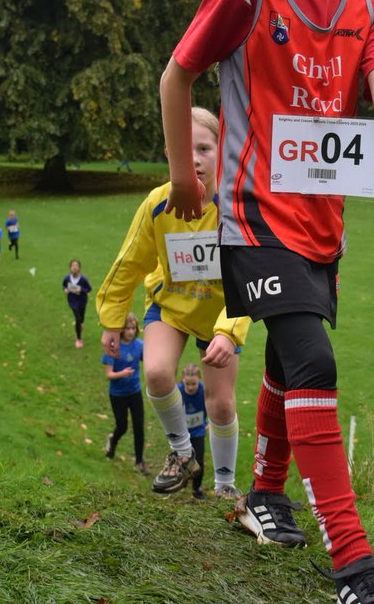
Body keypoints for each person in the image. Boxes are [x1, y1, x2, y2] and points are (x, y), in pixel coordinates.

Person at [157, 0, 374, 604]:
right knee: (313, 360)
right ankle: (355, 566)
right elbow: (179, 71)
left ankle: (266, 492)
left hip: (322, 221)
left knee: (286, 356)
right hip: (249, 218)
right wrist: (183, 173)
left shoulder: (369, 8)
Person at [97, 107, 250, 501]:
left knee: (220, 404)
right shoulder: (157, 203)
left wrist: (228, 332)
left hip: (222, 313)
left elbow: (250, 274)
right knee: (158, 373)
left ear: (223, 150)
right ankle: (183, 454)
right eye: (184, 150)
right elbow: (129, 263)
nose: (194, 159)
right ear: (169, 153)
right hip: (171, 306)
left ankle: (225, 484)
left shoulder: (237, 206)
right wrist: (113, 319)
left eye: (204, 148)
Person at [102, 312, 147, 475]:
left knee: (139, 426)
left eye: (133, 328)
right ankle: (112, 440)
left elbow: (147, 360)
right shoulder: (114, 346)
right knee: (122, 426)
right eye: (127, 328)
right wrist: (122, 373)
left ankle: (139, 461)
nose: (130, 331)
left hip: (135, 392)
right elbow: (109, 374)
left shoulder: (140, 345)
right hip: (117, 394)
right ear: (121, 329)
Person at [179, 362, 209, 500]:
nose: (190, 387)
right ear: (182, 381)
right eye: (187, 384)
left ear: (199, 381)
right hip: (182, 433)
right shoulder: (177, 391)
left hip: (198, 431)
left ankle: (197, 489)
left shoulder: (204, 391)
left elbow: (211, 407)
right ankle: (181, 480)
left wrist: (209, 423)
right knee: (183, 459)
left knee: (199, 461)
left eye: (194, 384)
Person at [63, 260, 93, 348]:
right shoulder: (67, 278)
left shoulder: (83, 279)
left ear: (79, 268)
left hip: (82, 301)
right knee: (78, 318)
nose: (74, 267)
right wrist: (65, 289)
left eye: (76, 265)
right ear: (70, 268)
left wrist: (81, 290)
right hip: (73, 301)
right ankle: (79, 339)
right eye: (72, 266)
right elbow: (64, 285)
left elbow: (89, 289)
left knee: (81, 318)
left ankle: (81, 323)